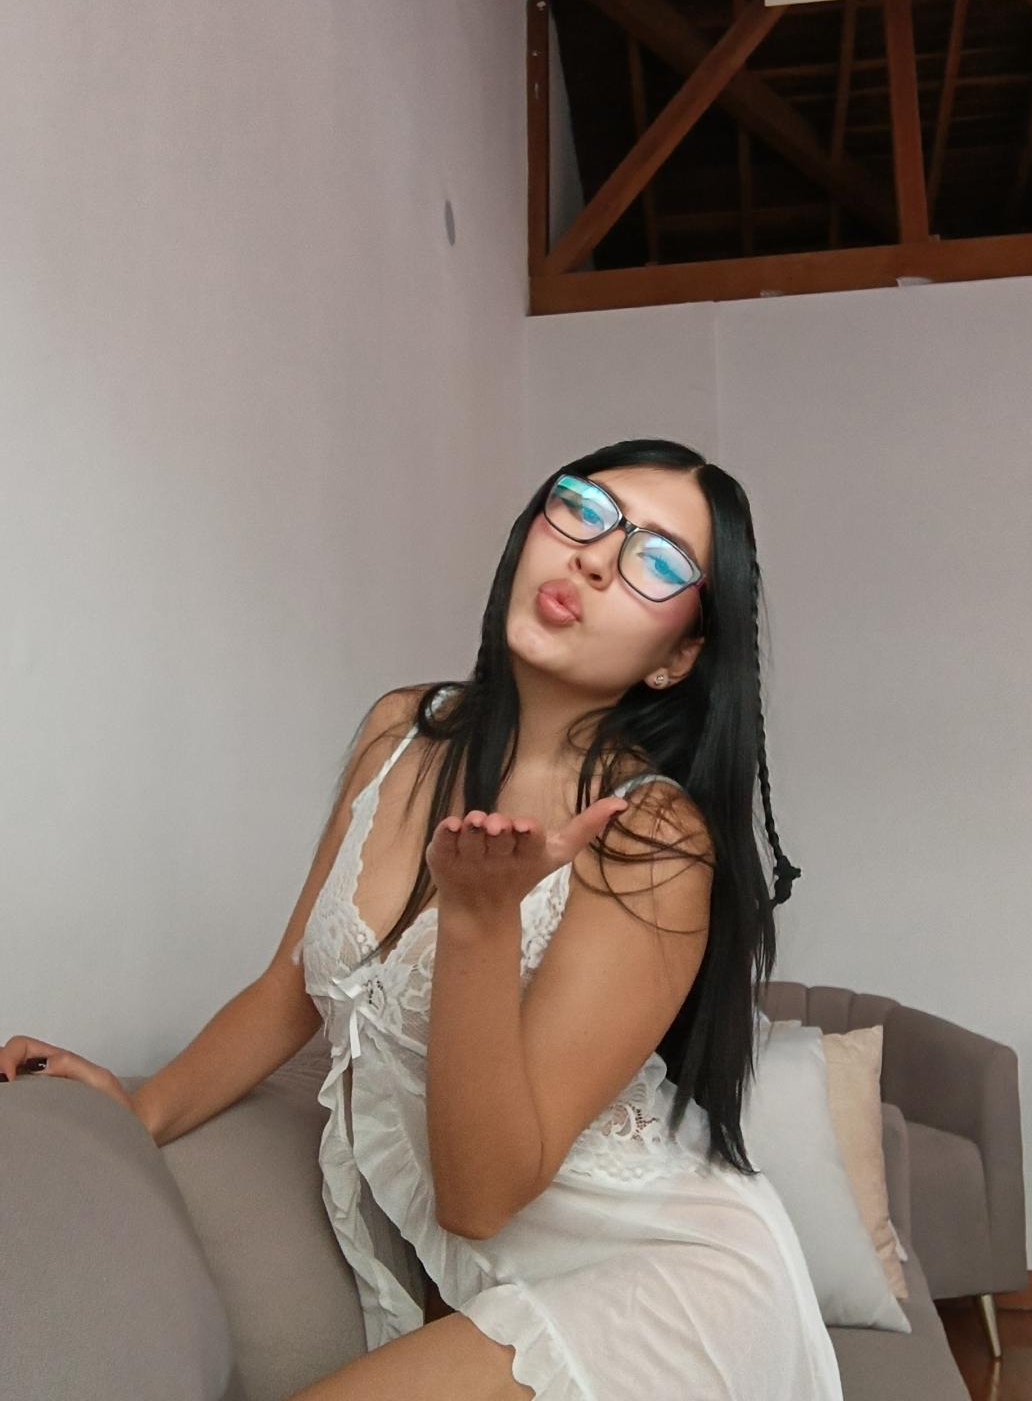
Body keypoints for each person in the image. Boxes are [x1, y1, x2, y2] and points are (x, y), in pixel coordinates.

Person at [1, 437, 843, 1401]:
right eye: (583, 510)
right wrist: (134, 1113)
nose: (593, 559)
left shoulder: (654, 838)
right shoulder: (402, 730)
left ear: (678, 657)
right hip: (500, 1286)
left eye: (655, 561)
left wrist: (481, 922)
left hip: (664, 1280)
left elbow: (481, 1198)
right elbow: (293, 988)